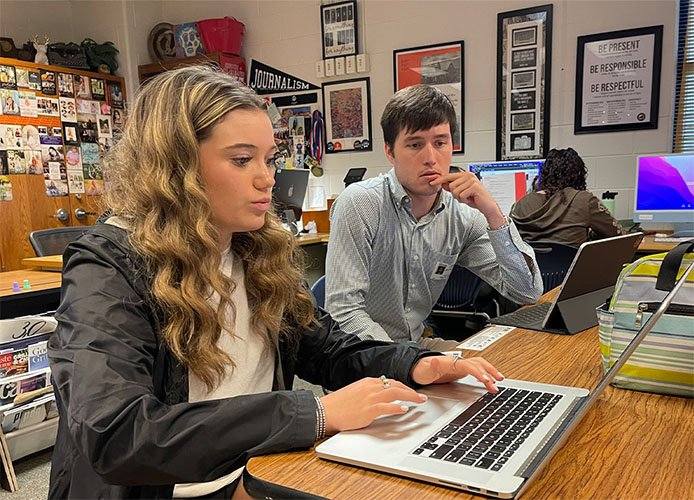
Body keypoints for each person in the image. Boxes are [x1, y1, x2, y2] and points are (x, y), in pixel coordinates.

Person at [47, 66, 504, 500]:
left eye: (268, 158)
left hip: (252, 474)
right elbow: (114, 434)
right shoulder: (107, 265)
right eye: (242, 160)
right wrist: (316, 413)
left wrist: (420, 364)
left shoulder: (252, 247)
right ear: (176, 168)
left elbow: (325, 348)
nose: (268, 178)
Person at [325, 85, 543, 349]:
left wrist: (494, 214)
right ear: (390, 152)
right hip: (363, 355)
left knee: (495, 373)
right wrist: (409, 362)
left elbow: (527, 292)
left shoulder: (463, 215)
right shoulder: (360, 204)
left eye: (440, 143)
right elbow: (345, 313)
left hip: (414, 347)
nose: (431, 158)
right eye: (415, 144)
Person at [509, 147, 624, 247]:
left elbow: (509, 243)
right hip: (574, 271)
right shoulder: (584, 200)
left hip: (530, 271)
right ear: (578, 176)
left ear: (544, 174)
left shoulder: (519, 204)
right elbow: (618, 234)